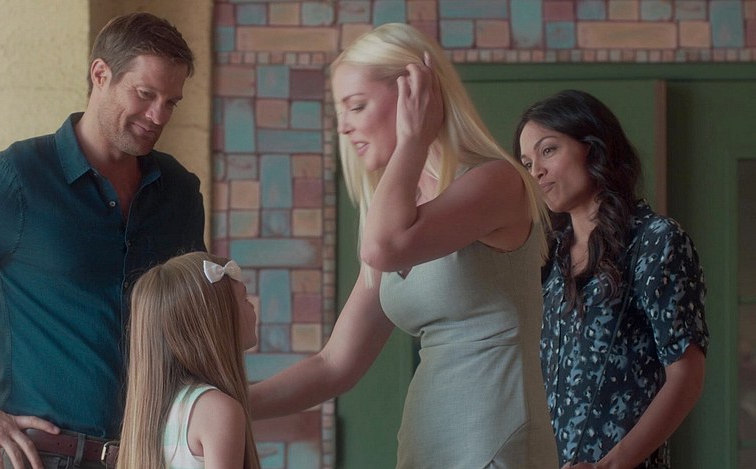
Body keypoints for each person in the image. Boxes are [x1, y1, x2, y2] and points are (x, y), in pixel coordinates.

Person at [250, 23, 557, 468]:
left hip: (493, 444)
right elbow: (334, 365)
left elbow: (384, 247)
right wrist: (231, 403)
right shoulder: (399, 215)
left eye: (357, 105)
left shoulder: (496, 182)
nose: (344, 126)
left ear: (417, 93)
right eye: (340, 111)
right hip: (427, 446)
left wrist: (413, 139)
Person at [0, 12, 206, 469]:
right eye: (145, 94)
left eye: (171, 102)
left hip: (156, 457)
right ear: (101, 74)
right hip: (42, 460)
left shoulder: (180, 192)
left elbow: (192, 324)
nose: (159, 116)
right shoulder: (14, 181)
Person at [514, 89, 709, 468]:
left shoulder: (656, 240)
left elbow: (687, 377)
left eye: (548, 150)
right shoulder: (548, 256)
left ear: (594, 148)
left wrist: (612, 465)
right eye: (526, 162)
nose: (535, 171)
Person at [118, 252, 260, 469]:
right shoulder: (218, 410)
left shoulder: (150, 413)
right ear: (216, 320)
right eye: (244, 299)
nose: (252, 307)